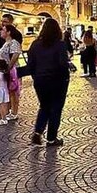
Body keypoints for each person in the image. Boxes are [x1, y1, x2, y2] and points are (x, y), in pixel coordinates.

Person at [18, 18, 70, 146]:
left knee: (44, 106)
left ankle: (38, 132)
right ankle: (51, 138)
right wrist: (66, 76)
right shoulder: (60, 44)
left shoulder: (35, 44)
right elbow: (63, 64)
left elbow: (30, 65)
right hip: (57, 81)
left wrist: (19, 73)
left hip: (40, 81)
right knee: (56, 109)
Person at [0, 23, 23, 120]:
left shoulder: (13, 43)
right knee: (9, 91)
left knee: (13, 91)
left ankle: (14, 112)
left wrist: (8, 68)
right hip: (4, 70)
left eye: (3, 30)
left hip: (11, 70)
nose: (1, 31)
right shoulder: (6, 43)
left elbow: (15, 55)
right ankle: (8, 111)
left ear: (9, 32)